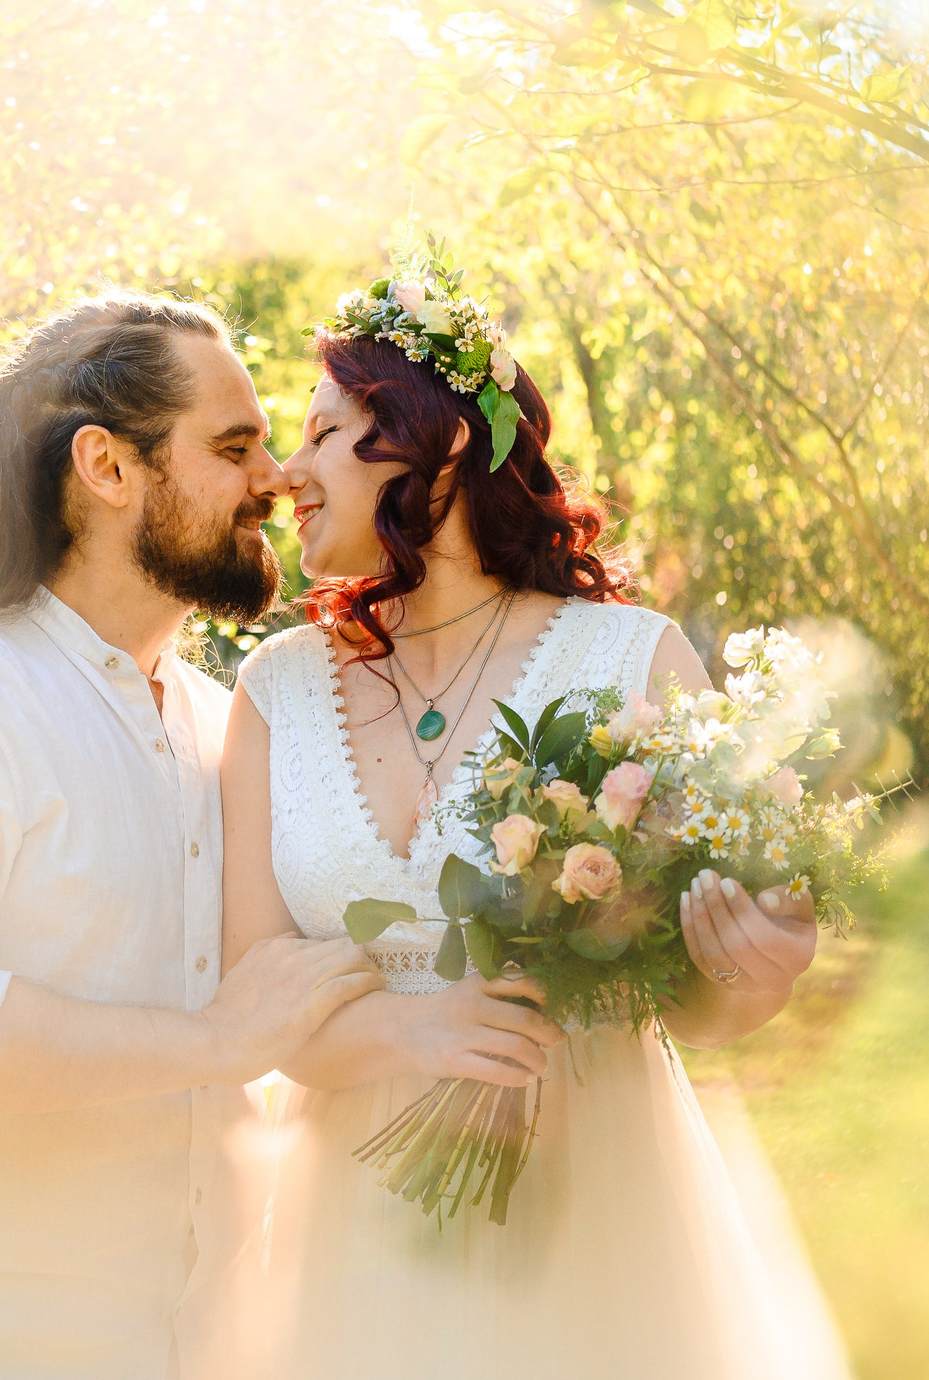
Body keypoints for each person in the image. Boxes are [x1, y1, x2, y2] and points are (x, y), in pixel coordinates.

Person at [210, 257, 852, 1377]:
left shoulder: (632, 659)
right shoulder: (275, 688)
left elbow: (699, 1001)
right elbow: (252, 991)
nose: (284, 474)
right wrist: (417, 1030)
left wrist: (756, 964)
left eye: (320, 435)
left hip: (592, 1209)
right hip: (352, 1222)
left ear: (441, 446)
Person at [0, 294, 381, 1380]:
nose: (276, 479)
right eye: (234, 446)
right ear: (107, 467)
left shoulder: (219, 720)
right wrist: (217, 1040)